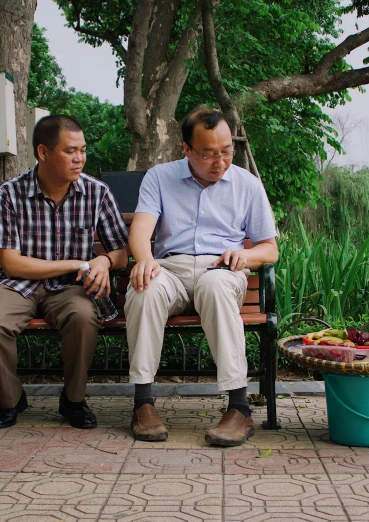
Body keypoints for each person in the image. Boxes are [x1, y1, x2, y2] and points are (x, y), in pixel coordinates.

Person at [124, 109, 278, 446]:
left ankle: (239, 407)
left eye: (226, 151)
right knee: (144, 288)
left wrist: (246, 255)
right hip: (171, 269)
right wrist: (146, 260)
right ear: (187, 150)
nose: (219, 161)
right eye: (209, 153)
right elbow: (141, 229)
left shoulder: (247, 185)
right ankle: (143, 403)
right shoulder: (160, 177)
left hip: (220, 270)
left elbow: (270, 250)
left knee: (215, 285)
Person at [0, 115, 129, 430]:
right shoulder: (9, 193)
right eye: (70, 151)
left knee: (83, 317)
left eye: (83, 150)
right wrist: (77, 263)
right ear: (43, 152)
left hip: (70, 289)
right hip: (18, 284)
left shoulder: (96, 192)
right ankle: (10, 397)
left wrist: (104, 262)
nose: (80, 158)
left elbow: (122, 253)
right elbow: (12, 264)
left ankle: (73, 399)